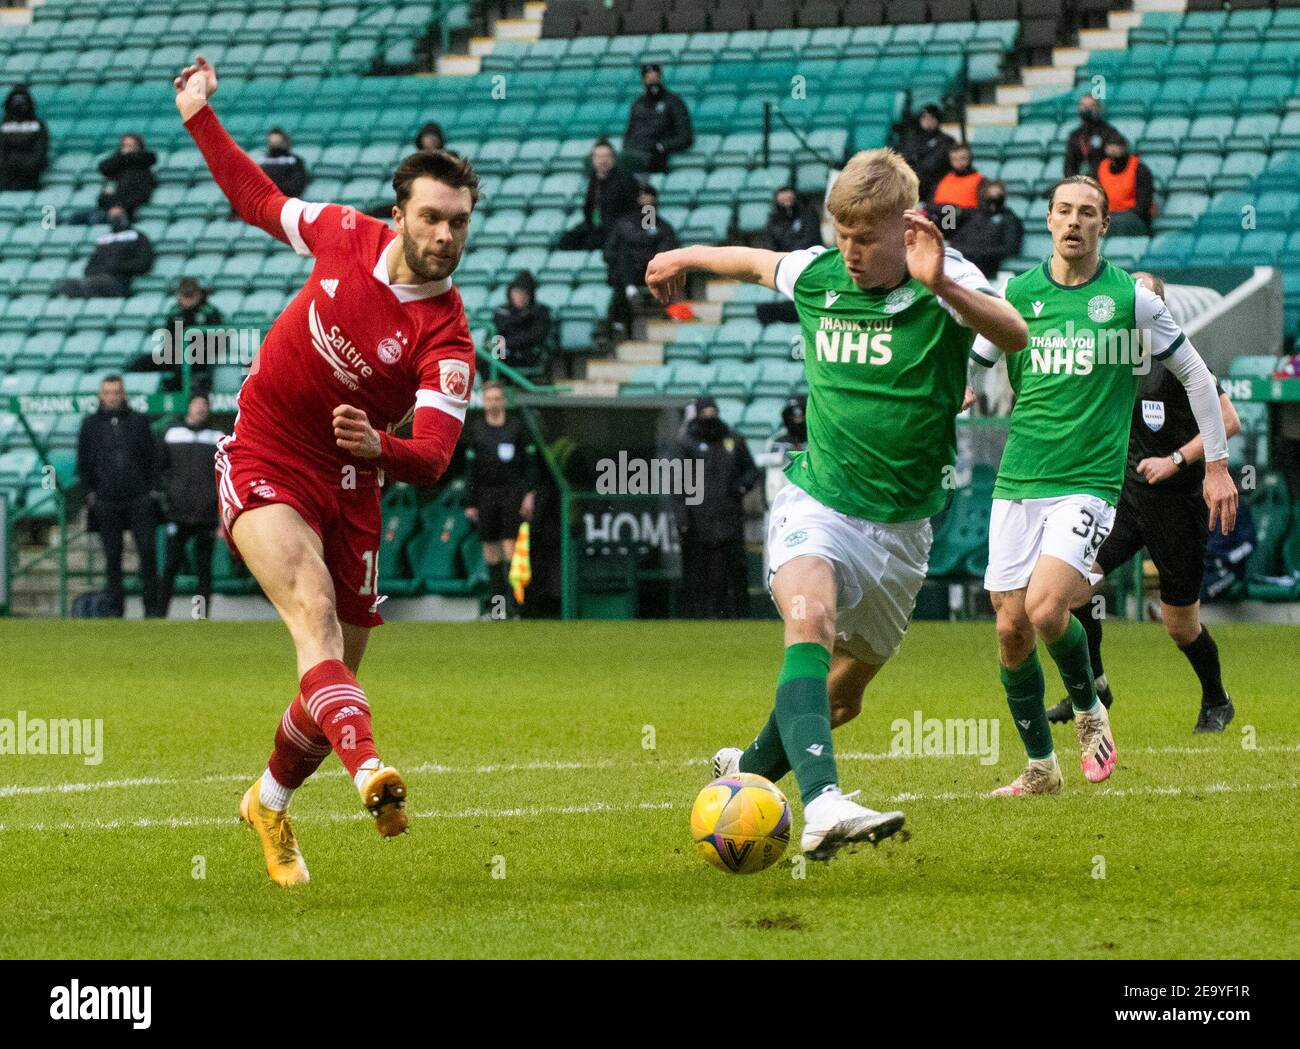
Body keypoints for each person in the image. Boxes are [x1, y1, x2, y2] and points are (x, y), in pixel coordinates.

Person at [646, 148, 1029, 860]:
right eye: (842, 233)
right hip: (816, 500)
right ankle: (823, 804)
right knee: (809, 618)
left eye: (865, 237)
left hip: (903, 530)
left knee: (843, 696)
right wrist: (685, 255)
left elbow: (1013, 335)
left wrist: (942, 282)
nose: (850, 250)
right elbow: (758, 262)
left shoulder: (944, 276)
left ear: (907, 227)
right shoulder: (819, 273)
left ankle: (746, 774)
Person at [174, 54, 478, 885]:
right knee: (312, 614)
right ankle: (372, 772)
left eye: (459, 222)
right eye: (432, 218)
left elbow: (435, 457)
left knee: (332, 670)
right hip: (267, 447)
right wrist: (200, 114)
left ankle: (267, 802)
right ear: (400, 215)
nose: (446, 235)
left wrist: (384, 448)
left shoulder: (447, 341)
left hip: (355, 481)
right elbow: (256, 199)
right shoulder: (343, 232)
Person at [970, 177, 1236, 798]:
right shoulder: (1017, 294)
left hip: (1087, 484)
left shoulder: (1131, 300)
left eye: (1087, 213)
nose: (1073, 222)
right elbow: (972, 362)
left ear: (1104, 227)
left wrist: (1216, 465)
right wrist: (955, 388)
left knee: (1045, 608)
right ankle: (1041, 769)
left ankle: (1091, 708)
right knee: (1011, 628)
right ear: (1047, 218)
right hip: (1017, 481)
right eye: (1064, 210)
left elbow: (1198, 377)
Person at [1042, 273, 1241, 733]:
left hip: (1177, 505)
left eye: (1145, 297)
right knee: (1071, 591)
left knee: (1180, 626)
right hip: (1125, 501)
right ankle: (1093, 690)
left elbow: (1228, 420)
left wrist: (1176, 459)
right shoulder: (1114, 358)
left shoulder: (1181, 361)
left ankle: (1217, 699)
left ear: (1161, 308)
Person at [76, 375, 163, 618]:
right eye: (107, 392)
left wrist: (152, 491)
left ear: (123, 394)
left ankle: (152, 610)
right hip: (105, 500)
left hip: (139, 498)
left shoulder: (139, 422)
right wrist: (90, 495)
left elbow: (153, 459)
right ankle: (116, 610)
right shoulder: (90, 425)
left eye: (116, 392)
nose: (112, 396)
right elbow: (83, 463)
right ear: (100, 395)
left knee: (147, 551)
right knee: (112, 555)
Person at [673, 395, 760, 619]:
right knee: (700, 572)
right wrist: (682, 519)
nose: (709, 418)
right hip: (697, 518)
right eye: (705, 413)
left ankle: (739, 616)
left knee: (734, 570)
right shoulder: (686, 443)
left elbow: (751, 470)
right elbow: (678, 484)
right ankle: (699, 617)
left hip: (729, 515)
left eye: (713, 413)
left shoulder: (733, 440)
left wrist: (741, 487)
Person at [462, 381, 538, 618]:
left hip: (511, 493)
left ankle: (517, 607)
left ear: (504, 401)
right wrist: (470, 501)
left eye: (497, 398)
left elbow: (530, 465)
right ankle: (497, 609)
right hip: (485, 495)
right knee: (490, 553)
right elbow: (469, 468)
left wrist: (529, 494)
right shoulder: (476, 429)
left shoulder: (516, 428)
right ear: (484, 402)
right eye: (489, 399)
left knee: (510, 549)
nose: (493, 403)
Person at [159, 394, 225, 617]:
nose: (201, 409)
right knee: (170, 568)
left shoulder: (218, 437)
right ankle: (160, 614)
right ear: (188, 407)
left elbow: (224, 476)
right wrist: (168, 497)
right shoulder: (171, 433)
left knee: (204, 571)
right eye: (197, 405)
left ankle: (200, 616)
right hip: (177, 513)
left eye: (204, 405)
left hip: (205, 514)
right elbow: (161, 469)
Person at [603, 182, 678, 338]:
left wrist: (643, 255)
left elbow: (661, 247)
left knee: (631, 261)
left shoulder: (660, 226)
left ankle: (629, 292)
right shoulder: (625, 223)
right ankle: (621, 314)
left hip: (651, 271)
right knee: (623, 261)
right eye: (642, 198)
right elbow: (610, 251)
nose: (645, 203)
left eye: (649, 199)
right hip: (624, 272)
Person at [555, 139, 641, 251]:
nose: (603, 161)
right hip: (593, 227)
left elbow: (641, 206)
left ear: (613, 159)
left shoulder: (625, 180)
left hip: (615, 228)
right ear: (593, 160)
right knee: (565, 241)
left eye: (607, 156)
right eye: (599, 157)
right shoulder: (593, 180)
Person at [58, 206, 154, 297]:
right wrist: (101, 270)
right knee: (64, 285)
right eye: (112, 217)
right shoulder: (105, 240)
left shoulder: (137, 236)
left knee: (91, 284)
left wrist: (118, 267)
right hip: (97, 278)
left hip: (119, 281)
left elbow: (144, 262)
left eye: (118, 216)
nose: (115, 219)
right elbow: (89, 267)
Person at [69, 133, 158, 223]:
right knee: (74, 219)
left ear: (138, 148)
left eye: (130, 146)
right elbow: (106, 193)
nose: (126, 149)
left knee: (92, 219)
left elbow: (142, 194)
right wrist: (111, 207)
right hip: (107, 210)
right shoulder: (115, 172)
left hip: (126, 212)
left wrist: (121, 207)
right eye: (124, 145)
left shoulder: (143, 173)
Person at [622, 63, 693, 175]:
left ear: (660, 78)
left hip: (655, 157)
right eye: (649, 78)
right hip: (634, 152)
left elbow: (686, 137)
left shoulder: (674, 102)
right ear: (643, 80)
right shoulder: (638, 104)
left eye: (655, 78)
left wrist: (661, 146)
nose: (652, 82)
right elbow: (629, 132)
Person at [947, 179, 1023, 278]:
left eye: (997, 194)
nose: (993, 198)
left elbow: (1010, 247)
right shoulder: (974, 216)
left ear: (1003, 195)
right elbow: (956, 241)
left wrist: (980, 253)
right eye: (989, 194)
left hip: (989, 268)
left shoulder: (1010, 218)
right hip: (965, 266)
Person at [490, 271, 552, 375]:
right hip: (504, 355)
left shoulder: (540, 312)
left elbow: (534, 336)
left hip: (528, 356)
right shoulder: (501, 312)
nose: (520, 296)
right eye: (516, 292)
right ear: (510, 293)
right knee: (482, 358)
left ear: (530, 294)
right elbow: (496, 334)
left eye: (524, 293)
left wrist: (507, 343)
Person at [1096, 133, 1155, 235]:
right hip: (1108, 215)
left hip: (1134, 216)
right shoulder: (1101, 168)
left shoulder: (1139, 169)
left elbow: (1143, 205)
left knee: (1114, 223)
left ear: (1125, 148)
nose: (1113, 150)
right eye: (1110, 147)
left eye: (1117, 146)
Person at [900, 103, 955, 203]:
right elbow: (904, 161)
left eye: (931, 118)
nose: (927, 121)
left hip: (935, 185)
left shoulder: (946, 141)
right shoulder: (912, 140)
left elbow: (932, 165)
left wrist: (916, 159)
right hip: (912, 184)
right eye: (924, 117)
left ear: (938, 120)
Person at [0, 84, 49, 191]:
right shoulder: (2, 127)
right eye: (15, 101)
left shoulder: (38, 126)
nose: (18, 105)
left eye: (22, 101)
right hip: (6, 178)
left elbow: (40, 152)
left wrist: (25, 165)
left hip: (31, 177)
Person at [1064, 94, 1118, 178]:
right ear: (1079, 108)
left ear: (1099, 108)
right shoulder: (1074, 135)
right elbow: (1069, 165)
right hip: (1079, 182)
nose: (1087, 109)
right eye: (1084, 106)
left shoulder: (1109, 132)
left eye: (1091, 106)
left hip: (1103, 181)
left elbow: (1114, 161)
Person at [929, 143, 983, 217]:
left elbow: (981, 210)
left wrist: (957, 211)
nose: (959, 163)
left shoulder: (979, 180)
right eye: (955, 159)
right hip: (939, 215)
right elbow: (932, 202)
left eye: (963, 158)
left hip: (962, 219)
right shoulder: (944, 178)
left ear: (970, 159)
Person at [762, 186, 822, 253]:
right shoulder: (774, 219)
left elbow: (811, 237)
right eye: (783, 199)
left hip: (808, 254)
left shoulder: (808, 213)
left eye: (789, 198)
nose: (786, 201)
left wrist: (794, 252)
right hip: (783, 257)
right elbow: (770, 241)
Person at [259, 127, 309, 199]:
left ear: (285, 141)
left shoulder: (295, 160)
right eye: (272, 141)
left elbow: (297, 184)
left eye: (277, 141)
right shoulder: (262, 160)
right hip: (265, 199)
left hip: (286, 200)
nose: (275, 142)